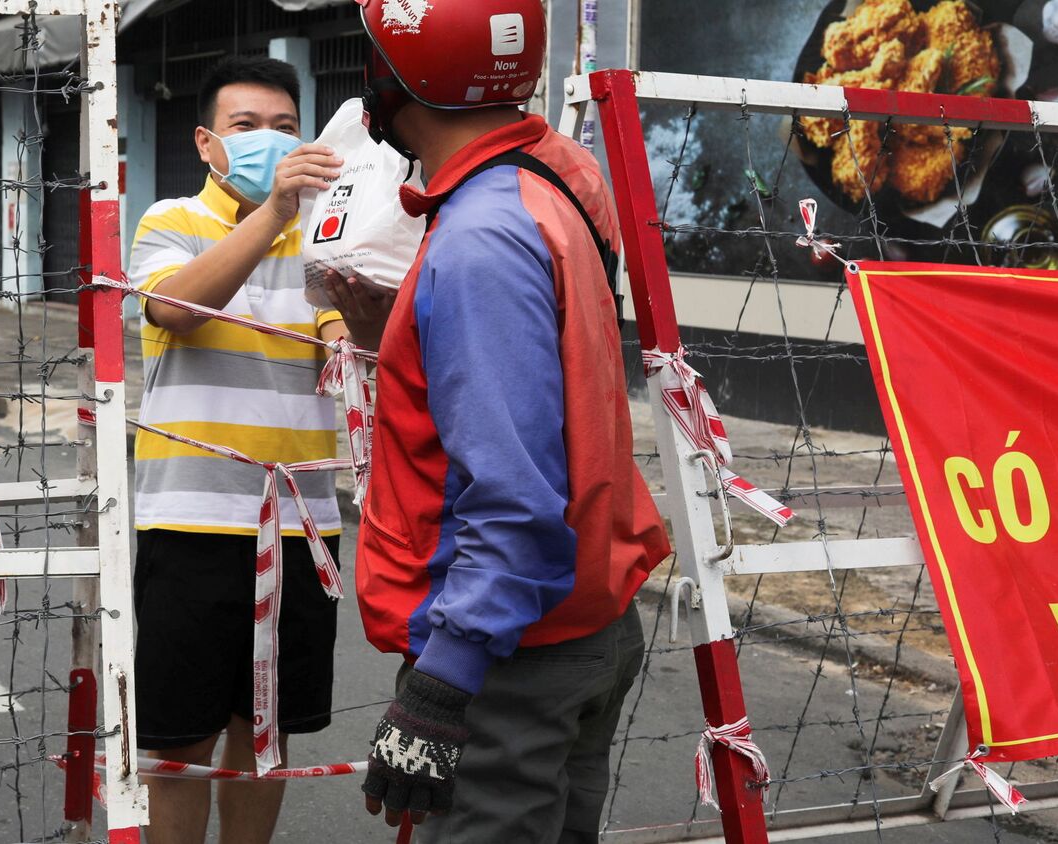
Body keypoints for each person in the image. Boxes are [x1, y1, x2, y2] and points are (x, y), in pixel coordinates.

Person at [342, 1, 674, 840]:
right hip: (588, 618)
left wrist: (440, 686)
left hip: (512, 658)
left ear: (397, 82)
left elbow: (512, 497)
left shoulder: (478, 243)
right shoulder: (556, 175)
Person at [126, 56, 384, 844]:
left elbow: (355, 354)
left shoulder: (328, 237)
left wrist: (363, 302)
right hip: (189, 521)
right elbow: (174, 309)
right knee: (180, 744)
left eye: (284, 127)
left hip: (301, 528)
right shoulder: (169, 222)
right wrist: (272, 212)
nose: (269, 140)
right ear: (207, 143)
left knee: (265, 739)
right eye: (247, 127)